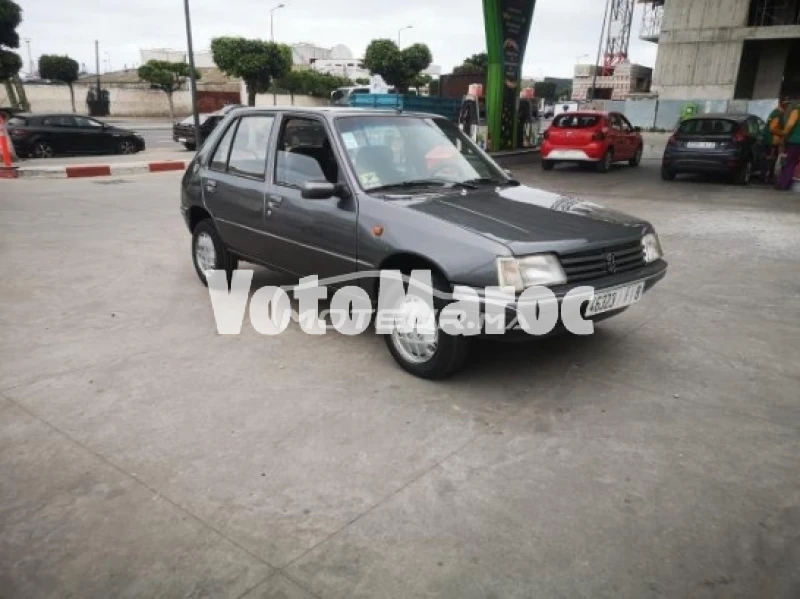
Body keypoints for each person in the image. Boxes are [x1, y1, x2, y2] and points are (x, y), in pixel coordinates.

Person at [762, 96, 788, 185]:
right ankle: (767, 179)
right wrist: (783, 133)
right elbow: (772, 128)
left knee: (769, 160)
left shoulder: (775, 113)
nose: (787, 106)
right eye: (786, 104)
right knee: (770, 160)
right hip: (772, 141)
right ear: (782, 104)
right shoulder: (778, 114)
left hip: (770, 141)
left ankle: (765, 177)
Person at [776, 100, 800, 191]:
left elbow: (790, 125)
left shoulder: (797, 110)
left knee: (789, 163)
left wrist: (784, 134)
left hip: (795, 141)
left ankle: (783, 184)